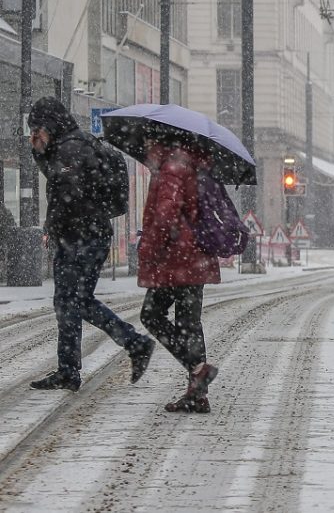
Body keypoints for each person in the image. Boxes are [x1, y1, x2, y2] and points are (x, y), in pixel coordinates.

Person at [26, 96, 154, 391]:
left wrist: (55, 227)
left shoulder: (71, 149)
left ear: (50, 125)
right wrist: (40, 153)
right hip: (85, 234)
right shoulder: (70, 145)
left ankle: (133, 343)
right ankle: (70, 370)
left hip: (80, 236)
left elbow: (67, 194)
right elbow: (63, 185)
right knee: (69, 302)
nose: (35, 135)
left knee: (75, 301)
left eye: (38, 129)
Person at [137, 131, 221, 413]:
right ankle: (198, 392)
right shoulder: (191, 163)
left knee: (151, 314)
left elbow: (166, 216)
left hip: (178, 257)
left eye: (147, 141)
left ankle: (197, 370)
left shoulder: (172, 166)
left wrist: (149, 250)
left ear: (157, 140)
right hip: (194, 255)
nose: (144, 146)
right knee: (189, 324)